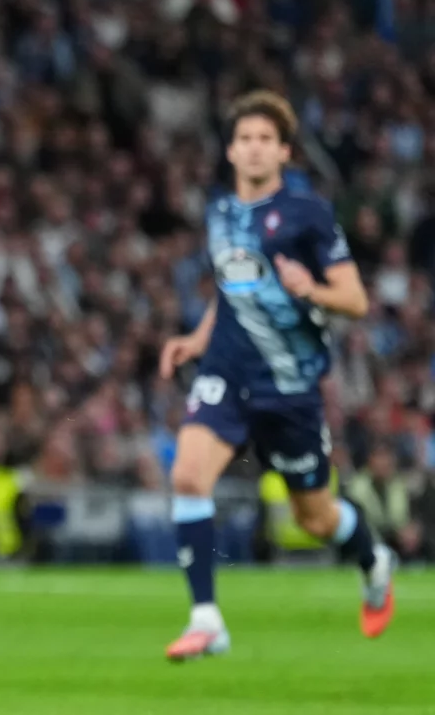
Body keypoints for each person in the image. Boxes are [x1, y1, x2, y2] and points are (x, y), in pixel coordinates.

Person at [158, 91, 395, 660]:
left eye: (266, 139)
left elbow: (356, 299)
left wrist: (311, 289)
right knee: (187, 476)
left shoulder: (308, 213)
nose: (255, 148)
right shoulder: (220, 212)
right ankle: (207, 619)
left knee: (315, 518)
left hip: (288, 386)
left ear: (285, 151)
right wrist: (199, 338)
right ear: (231, 151)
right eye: (245, 139)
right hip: (227, 372)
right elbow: (231, 288)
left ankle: (373, 559)